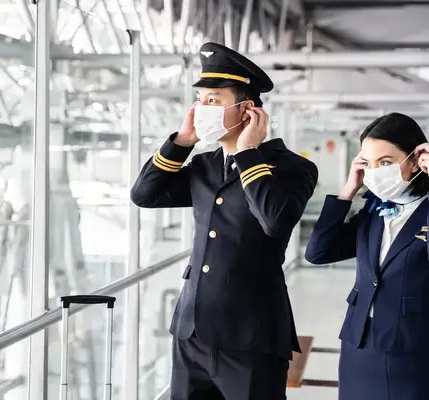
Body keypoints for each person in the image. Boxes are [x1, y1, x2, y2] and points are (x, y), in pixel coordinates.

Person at [130, 42, 318, 400]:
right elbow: (144, 195)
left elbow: (275, 221)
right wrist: (182, 141)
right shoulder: (204, 166)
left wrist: (248, 153)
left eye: (213, 100)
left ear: (247, 110)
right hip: (191, 331)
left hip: (251, 336)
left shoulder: (294, 168)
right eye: (200, 99)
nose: (202, 108)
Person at [304, 113, 429, 400]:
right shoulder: (373, 212)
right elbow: (318, 252)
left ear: (415, 160)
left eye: (385, 162)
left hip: (409, 347)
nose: (375, 171)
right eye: (368, 163)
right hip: (358, 342)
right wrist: (349, 189)